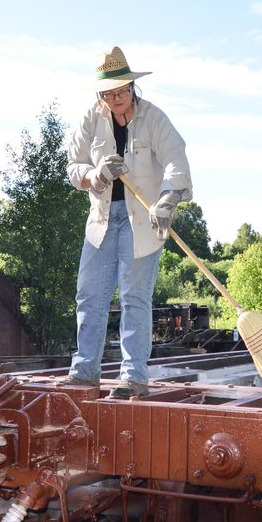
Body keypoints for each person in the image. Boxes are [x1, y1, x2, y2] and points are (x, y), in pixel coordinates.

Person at [63, 46, 192, 398]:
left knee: (135, 299)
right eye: (109, 92)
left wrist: (168, 198)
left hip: (144, 221)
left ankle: (134, 377)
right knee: (90, 296)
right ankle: (84, 371)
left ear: (133, 87)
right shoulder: (91, 118)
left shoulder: (154, 118)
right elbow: (73, 165)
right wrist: (96, 176)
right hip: (102, 220)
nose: (116, 98)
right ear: (100, 93)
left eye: (122, 90)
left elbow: (175, 161)